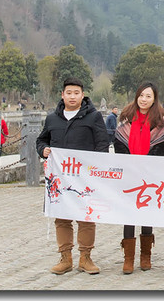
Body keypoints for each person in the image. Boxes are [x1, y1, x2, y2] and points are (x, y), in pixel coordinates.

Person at [35, 77, 111, 274]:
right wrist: (43, 149)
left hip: (84, 179)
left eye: (76, 93)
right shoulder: (52, 118)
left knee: (86, 217)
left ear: (82, 95)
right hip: (60, 180)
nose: (72, 96)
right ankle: (65, 258)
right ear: (62, 95)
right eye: (68, 93)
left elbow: (102, 144)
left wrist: (97, 170)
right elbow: (41, 140)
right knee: (62, 218)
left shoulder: (93, 117)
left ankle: (85, 258)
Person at [113, 83, 164, 274]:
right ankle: (128, 258)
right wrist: (130, 165)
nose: (144, 99)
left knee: (146, 213)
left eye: (148, 96)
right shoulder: (125, 119)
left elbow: (159, 149)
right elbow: (119, 143)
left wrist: (145, 166)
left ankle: (146, 255)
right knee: (128, 215)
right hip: (129, 174)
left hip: (150, 175)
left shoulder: (160, 122)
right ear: (137, 96)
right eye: (141, 95)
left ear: (154, 99)